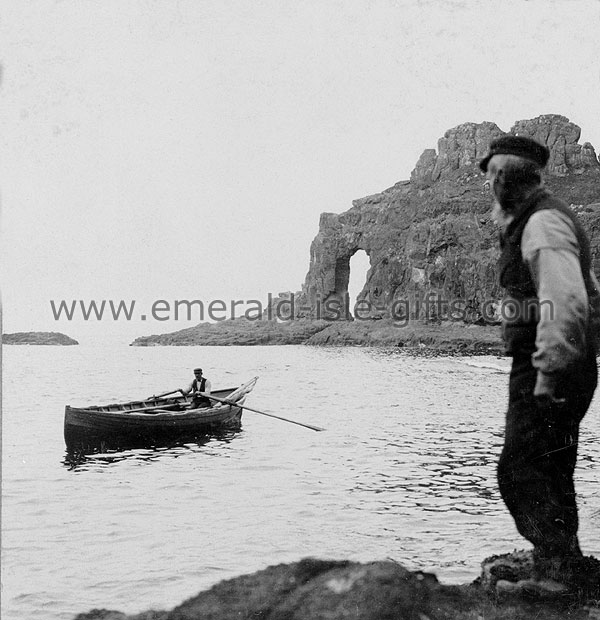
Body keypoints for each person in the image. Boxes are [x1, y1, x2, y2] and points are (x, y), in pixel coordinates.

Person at [479, 135, 600, 595]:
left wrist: (550, 370)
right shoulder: (541, 218)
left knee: (521, 467)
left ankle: (554, 574)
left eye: (494, 176)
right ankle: (561, 565)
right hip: (562, 360)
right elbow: (588, 291)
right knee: (552, 466)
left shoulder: (543, 224)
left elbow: (567, 303)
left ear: (508, 179)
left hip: (550, 363)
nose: (490, 186)